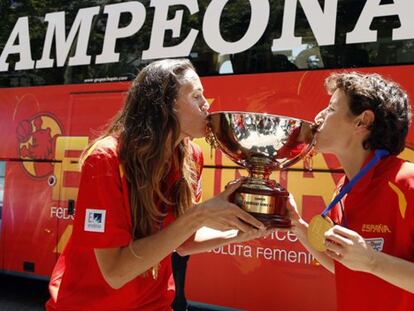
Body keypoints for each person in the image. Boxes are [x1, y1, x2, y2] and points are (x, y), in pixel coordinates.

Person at [46, 59, 268, 311]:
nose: (206, 105)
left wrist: (238, 232)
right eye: (196, 96)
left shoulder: (191, 156)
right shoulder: (105, 159)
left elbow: (182, 242)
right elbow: (115, 272)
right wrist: (199, 215)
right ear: (167, 105)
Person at [288, 72, 414, 310]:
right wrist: (298, 226)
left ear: (362, 121)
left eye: (331, 109)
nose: (318, 117)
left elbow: (366, 262)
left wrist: (371, 260)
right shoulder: (344, 188)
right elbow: (346, 266)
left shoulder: (408, 183)